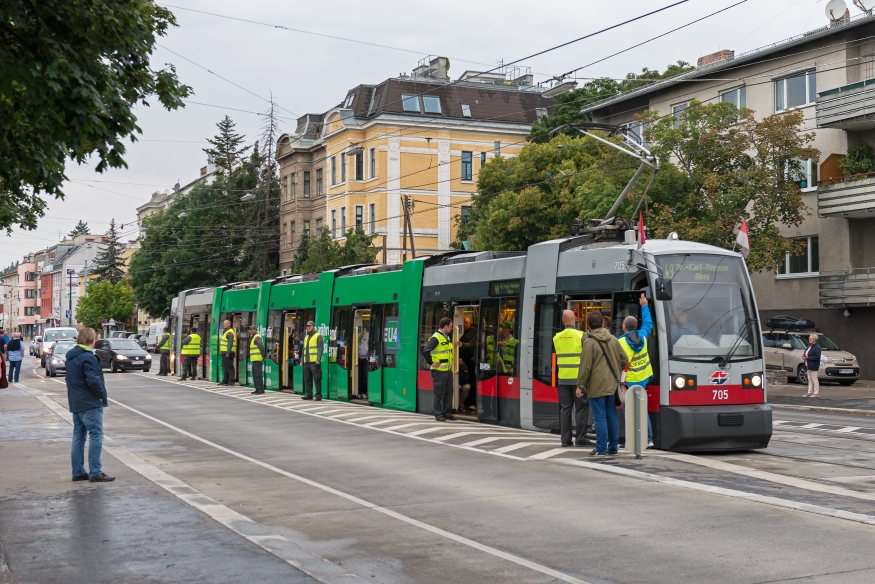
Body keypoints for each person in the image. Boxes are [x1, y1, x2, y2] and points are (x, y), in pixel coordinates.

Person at [66, 327, 115, 482]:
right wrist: (102, 396)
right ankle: (95, 471)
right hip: (90, 402)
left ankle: (78, 471)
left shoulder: (72, 356)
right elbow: (93, 380)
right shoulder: (88, 357)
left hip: (76, 402)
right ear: (93, 341)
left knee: (78, 436)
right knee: (96, 435)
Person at [577, 311, 628, 456]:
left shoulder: (590, 343)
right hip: (612, 384)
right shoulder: (613, 339)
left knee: (599, 417)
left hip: (596, 385)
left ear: (589, 326)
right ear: (602, 323)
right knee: (611, 415)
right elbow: (624, 359)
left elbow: (585, 367)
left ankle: (600, 448)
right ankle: (613, 447)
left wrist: (580, 385)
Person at [618, 294, 654, 448]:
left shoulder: (620, 342)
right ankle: (649, 439)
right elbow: (648, 323)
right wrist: (644, 306)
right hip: (643, 378)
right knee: (642, 408)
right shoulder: (643, 337)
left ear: (624, 327)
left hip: (629, 382)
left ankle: (630, 441)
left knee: (629, 411)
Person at [553, 310, 591, 447]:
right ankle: (580, 438)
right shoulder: (582, 336)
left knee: (565, 409)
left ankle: (565, 440)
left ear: (563, 321)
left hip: (563, 379)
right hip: (578, 380)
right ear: (575, 320)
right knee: (581, 409)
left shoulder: (556, 337)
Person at [422, 317, 456, 421]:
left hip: (447, 370)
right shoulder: (436, 338)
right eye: (450, 326)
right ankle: (438, 414)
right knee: (439, 393)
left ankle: (447, 413)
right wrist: (432, 362)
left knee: (448, 392)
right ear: (445, 326)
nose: (451, 329)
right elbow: (425, 351)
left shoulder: (446, 337)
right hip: (439, 371)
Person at [301, 321, 324, 401]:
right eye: (307, 326)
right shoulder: (306, 337)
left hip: (314, 362)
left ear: (313, 327)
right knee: (307, 379)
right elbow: (304, 349)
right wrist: (301, 360)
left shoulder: (318, 336)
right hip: (306, 362)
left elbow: (320, 348)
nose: (308, 327)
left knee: (317, 379)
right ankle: (309, 394)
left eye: (310, 326)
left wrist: (318, 359)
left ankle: (318, 395)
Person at [248, 325, 266, 395]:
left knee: (258, 375)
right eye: (250, 329)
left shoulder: (257, 337)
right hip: (254, 359)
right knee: (255, 375)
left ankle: (260, 389)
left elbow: (261, 347)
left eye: (251, 329)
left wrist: (263, 356)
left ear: (255, 330)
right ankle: (257, 389)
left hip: (257, 359)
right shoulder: (254, 337)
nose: (250, 331)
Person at [219, 320, 237, 386]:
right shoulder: (226, 332)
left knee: (229, 367)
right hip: (224, 352)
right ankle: (225, 380)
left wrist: (228, 352)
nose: (224, 325)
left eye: (225, 323)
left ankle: (231, 381)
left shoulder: (230, 332)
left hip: (228, 352)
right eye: (223, 323)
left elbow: (230, 343)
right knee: (225, 367)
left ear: (229, 324)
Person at [804, 334, 822, 398]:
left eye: (811, 338)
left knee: (814, 379)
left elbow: (817, 357)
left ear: (814, 340)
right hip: (808, 364)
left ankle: (816, 393)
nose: (809, 340)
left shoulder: (817, 347)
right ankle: (809, 392)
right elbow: (805, 353)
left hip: (813, 365)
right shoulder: (809, 346)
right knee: (809, 379)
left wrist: (808, 357)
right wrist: (804, 357)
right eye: (809, 338)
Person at [357, 327, 369, 399]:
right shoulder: (358, 335)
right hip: (358, 358)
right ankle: (359, 392)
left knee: (364, 376)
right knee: (359, 376)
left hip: (365, 358)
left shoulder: (367, 335)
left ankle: (363, 392)